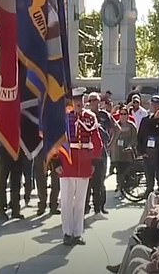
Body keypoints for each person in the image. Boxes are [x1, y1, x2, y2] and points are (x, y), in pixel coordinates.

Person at [56, 87, 102, 245]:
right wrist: (55, 163)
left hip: (84, 162)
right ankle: (67, 233)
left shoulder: (90, 117)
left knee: (81, 200)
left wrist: (94, 162)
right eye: (76, 101)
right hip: (67, 162)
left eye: (80, 101)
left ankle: (77, 233)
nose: (78, 104)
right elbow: (55, 143)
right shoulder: (63, 118)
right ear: (71, 102)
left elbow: (97, 142)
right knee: (66, 200)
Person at [85, 92, 115, 215]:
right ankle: (85, 206)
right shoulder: (85, 115)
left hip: (101, 152)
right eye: (91, 101)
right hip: (87, 153)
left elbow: (114, 129)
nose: (93, 103)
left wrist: (110, 144)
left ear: (99, 101)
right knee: (87, 181)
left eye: (95, 100)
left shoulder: (104, 115)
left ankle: (99, 206)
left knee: (100, 180)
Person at [111, 106, 137, 198]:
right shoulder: (116, 126)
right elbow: (112, 138)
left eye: (124, 114)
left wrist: (130, 146)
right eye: (121, 114)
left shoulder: (131, 126)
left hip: (128, 153)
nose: (122, 116)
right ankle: (119, 188)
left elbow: (134, 139)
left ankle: (127, 186)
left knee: (126, 171)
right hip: (118, 153)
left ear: (128, 115)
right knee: (119, 171)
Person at [0, 146, 24, 221]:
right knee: (2, 181)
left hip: (18, 149)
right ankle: (1, 209)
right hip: (4, 148)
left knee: (16, 181)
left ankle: (15, 208)